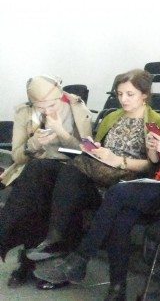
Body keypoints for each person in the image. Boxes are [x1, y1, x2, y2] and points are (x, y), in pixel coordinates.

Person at [35, 70, 160, 301]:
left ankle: (81, 258)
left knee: (118, 193)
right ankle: (117, 290)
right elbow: (157, 162)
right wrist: (153, 148)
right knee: (121, 221)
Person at [0, 76, 92, 289]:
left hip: (72, 171)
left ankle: (8, 240)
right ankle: (31, 262)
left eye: (51, 105)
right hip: (37, 171)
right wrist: (33, 144)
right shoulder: (24, 112)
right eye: (40, 108)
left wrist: (61, 133)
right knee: (37, 180)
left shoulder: (77, 108)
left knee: (41, 180)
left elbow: (88, 153)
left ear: (60, 97)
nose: (47, 111)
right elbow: (17, 156)